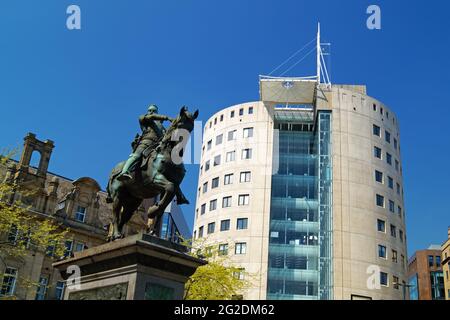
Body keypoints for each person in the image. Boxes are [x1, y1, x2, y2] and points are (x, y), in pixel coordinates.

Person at [117, 104, 173, 181]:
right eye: (150, 110)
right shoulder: (144, 118)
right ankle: (124, 172)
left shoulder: (162, 128)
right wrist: (167, 118)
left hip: (157, 146)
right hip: (145, 142)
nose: (151, 112)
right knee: (136, 156)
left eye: (154, 111)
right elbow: (151, 117)